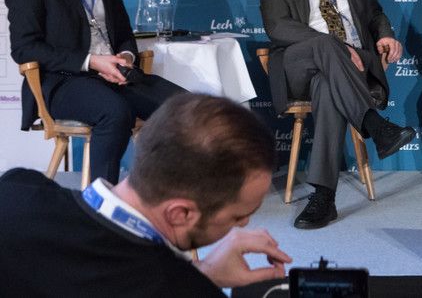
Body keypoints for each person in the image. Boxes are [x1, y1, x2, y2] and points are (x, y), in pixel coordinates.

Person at [0, 93, 292, 295]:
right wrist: (195, 279)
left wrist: (198, 273)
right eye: (238, 216)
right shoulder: (180, 288)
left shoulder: (15, 189)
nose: (244, 225)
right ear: (180, 213)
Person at [5, 0, 183, 183]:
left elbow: (123, 33)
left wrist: (125, 58)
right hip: (62, 81)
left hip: (116, 76)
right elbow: (25, 48)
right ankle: (100, 200)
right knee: (115, 112)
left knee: (186, 107)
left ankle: (169, 190)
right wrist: (92, 62)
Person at [259, 0, 414, 229]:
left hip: (352, 67)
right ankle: (375, 124)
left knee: (328, 88)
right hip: (301, 66)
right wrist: (338, 47)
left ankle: (324, 197)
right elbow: (278, 28)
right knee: (327, 45)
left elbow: (374, 14)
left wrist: (385, 34)